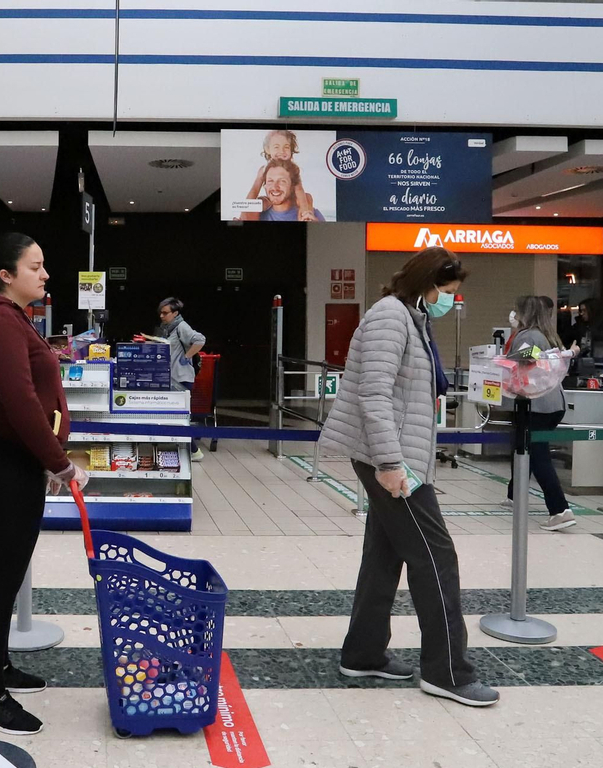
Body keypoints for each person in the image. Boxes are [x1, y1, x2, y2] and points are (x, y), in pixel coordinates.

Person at [320, 246, 498, 708]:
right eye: (448, 292)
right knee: (437, 560)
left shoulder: (411, 319)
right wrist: (390, 464)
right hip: (391, 459)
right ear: (427, 283)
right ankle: (448, 672)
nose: (450, 302)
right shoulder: (390, 317)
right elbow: (373, 394)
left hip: (399, 456)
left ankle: (363, 654)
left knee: (384, 556)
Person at [0, 232, 87, 736]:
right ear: (6, 275)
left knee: (6, 572)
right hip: (6, 463)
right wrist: (61, 464)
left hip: (14, 461)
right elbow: (21, 404)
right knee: (1, 579)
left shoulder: (5, 319)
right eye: (36, 266)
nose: (45, 274)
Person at [504, 295, 579, 531]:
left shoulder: (529, 336)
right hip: (551, 403)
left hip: (536, 404)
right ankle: (516, 495)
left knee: (538, 458)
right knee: (527, 450)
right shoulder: (546, 335)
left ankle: (559, 510)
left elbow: (518, 361)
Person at [137, 297, 207, 461]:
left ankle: (195, 452)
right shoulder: (167, 328)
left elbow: (200, 339)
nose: (162, 316)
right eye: (160, 313)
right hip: (171, 377)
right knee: (174, 416)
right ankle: (186, 450)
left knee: (179, 418)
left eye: (165, 313)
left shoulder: (181, 326)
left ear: (175, 313)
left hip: (181, 378)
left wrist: (187, 356)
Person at [246, 130, 318, 220]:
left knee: (307, 197)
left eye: (286, 147)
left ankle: (306, 217)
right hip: (273, 199)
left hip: (291, 200)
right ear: (268, 149)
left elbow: (299, 190)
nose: (282, 151)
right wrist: (245, 208)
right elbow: (254, 190)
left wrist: (304, 209)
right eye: (276, 147)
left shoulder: (293, 169)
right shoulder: (263, 169)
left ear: (291, 150)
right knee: (259, 202)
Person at [242, 159, 325, 222]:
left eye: (282, 181)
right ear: (265, 186)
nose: (275, 187)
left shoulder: (312, 215)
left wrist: (315, 230)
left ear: (292, 186)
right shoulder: (257, 216)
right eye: (270, 181)